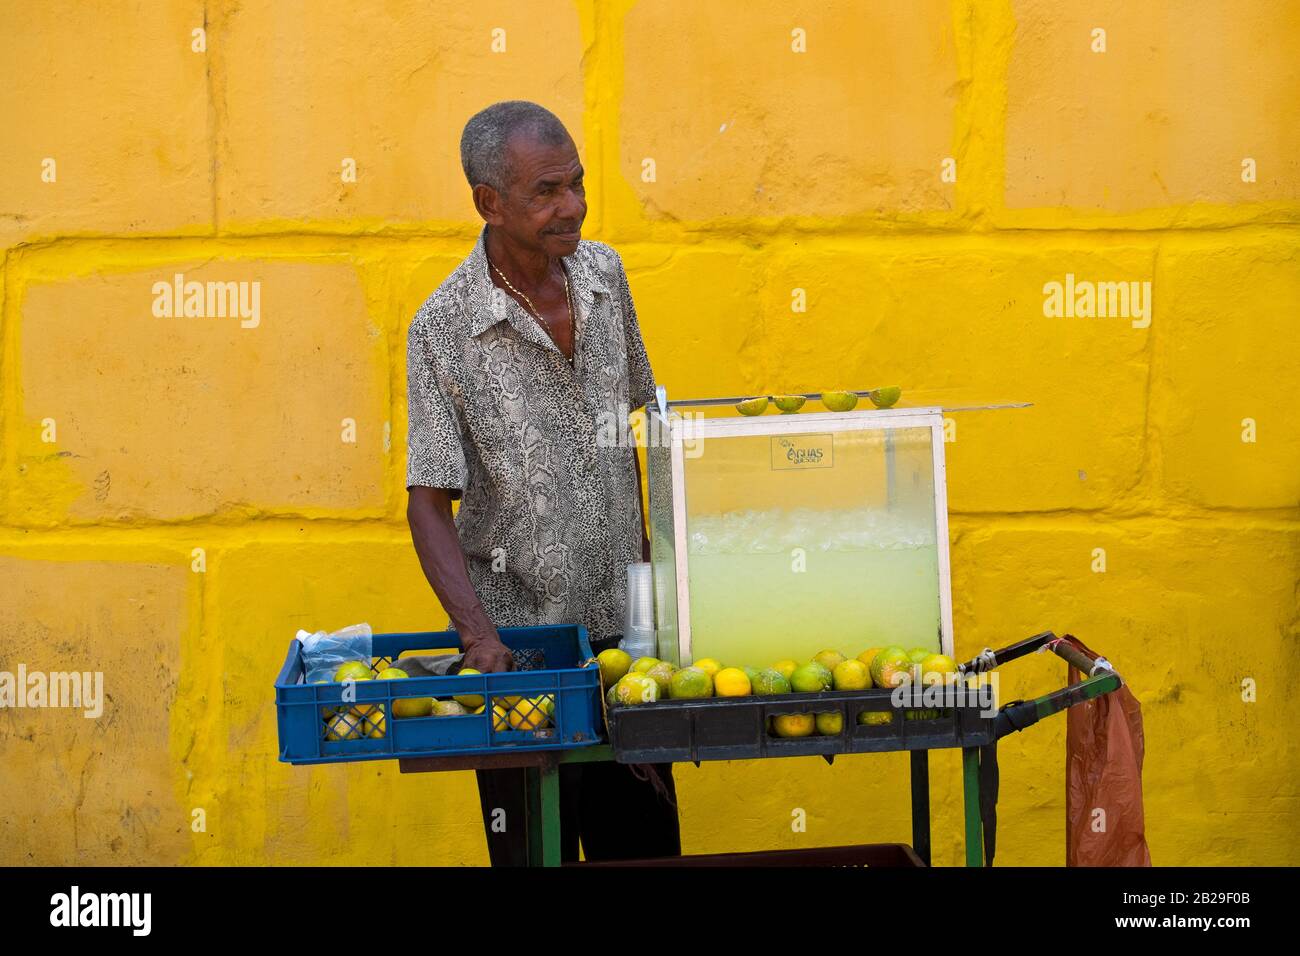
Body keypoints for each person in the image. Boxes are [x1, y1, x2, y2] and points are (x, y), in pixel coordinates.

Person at [404, 100, 680, 865]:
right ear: (490, 203)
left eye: (579, 184)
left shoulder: (605, 275)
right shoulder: (441, 329)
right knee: (534, 851)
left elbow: (645, 429)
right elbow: (428, 499)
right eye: (548, 191)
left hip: (628, 645)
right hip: (523, 655)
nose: (574, 208)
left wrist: (668, 585)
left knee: (646, 849)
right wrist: (476, 636)